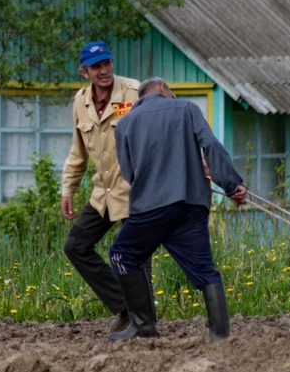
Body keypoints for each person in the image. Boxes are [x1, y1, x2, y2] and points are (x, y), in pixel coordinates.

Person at [108, 78, 248, 342]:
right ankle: (220, 334)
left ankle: (143, 326)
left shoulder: (124, 124)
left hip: (150, 208)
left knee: (122, 256)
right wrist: (232, 186)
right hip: (191, 205)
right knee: (204, 268)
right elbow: (211, 147)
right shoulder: (187, 109)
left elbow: (129, 174)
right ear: (162, 88)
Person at [60, 40, 150, 334]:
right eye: (97, 66)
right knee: (76, 246)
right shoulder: (80, 102)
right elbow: (78, 152)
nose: (104, 71)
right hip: (103, 193)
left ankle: (142, 323)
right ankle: (127, 306)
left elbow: (157, 134)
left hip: (136, 190)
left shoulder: (135, 93)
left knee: (134, 257)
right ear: (84, 71)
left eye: (107, 64)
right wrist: (68, 190)